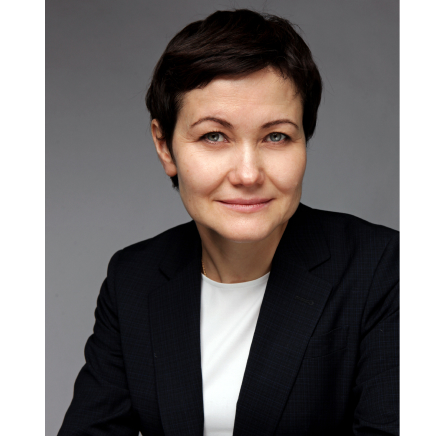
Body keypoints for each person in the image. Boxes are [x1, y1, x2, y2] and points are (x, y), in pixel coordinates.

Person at [58, 9, 399, 436]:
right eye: (214, 136)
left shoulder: (382, 270)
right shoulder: (134, 280)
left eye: (276, 136)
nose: (248, 174)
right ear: (165, 147)